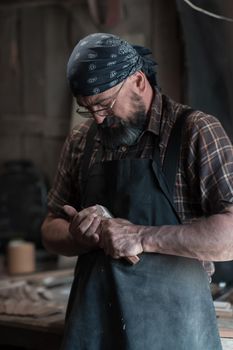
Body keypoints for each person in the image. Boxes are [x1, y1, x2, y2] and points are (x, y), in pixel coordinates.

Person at [41, 33, 233, 350]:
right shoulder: (81, 141)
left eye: (104, 104)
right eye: (88, 110)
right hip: (95, 328)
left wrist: (140, 237)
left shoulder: (194, 131)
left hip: (173, 330)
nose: (99, 119)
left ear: (139, 82)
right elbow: (50, 228)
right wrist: (78, 235)